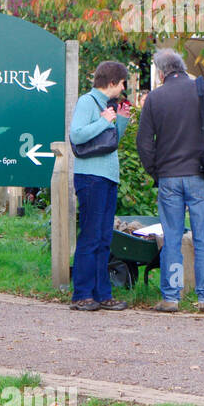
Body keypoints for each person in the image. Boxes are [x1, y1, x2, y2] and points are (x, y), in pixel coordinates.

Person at [135, 47, 204, 313]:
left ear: (160, 72)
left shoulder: (155, 99)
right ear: (181, 67)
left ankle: (171, 296)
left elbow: (143, 143)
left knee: (172, 238)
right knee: (203, 238)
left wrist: (156, 171)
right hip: (201, 177)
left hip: (169, 178)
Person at [68, 61, 132, 311]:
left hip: (107, 177)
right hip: (91, 177)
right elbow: (77, 136)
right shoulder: (87, 102)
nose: (124, 88)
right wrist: (105, 120)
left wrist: (121, 121)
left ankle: (103, 294)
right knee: (91, 237)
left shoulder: (107, 106)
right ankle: (82, 294)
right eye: (123, 83)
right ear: (113, 83)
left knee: (104, 238)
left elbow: (108, 142)